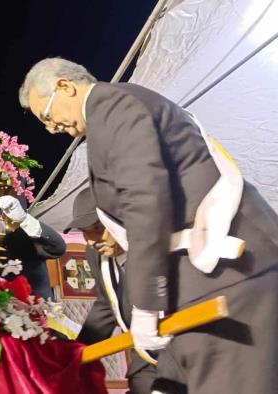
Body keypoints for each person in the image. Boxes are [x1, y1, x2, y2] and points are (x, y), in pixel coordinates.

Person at [20, 57, 278, 393]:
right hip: (201, 292)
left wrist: (146, 304)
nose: (52, 129)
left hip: (229, 281)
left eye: (48, 117)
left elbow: (146, 200)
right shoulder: (112, 115)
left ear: (65, 86)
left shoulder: (114, 106)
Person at [67, 187, 157, 394]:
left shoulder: (158, 247)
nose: (90, 240)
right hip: (144, 356)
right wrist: (77, 352)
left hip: (187, 351)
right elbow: (106, 306)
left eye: (97, 228)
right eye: (84, 231)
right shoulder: (95, 253)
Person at [0, 196, 65, 299]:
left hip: (36, 311)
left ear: (3, 217)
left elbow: (57, 248)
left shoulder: (24, 238)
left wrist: (24, 219)